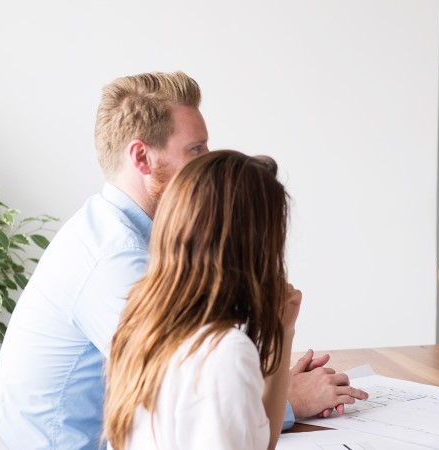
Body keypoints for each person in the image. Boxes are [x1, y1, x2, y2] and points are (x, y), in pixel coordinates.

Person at [0, 72, 365, 450]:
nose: (207, 164)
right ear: (142, 157)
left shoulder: (110, 230)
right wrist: (291, 400)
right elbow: (198, 400)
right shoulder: (118, 262)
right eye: (196, 150)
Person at [104, 150, 296, 450]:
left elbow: (260, 441)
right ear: (248, 250)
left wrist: (283, 330)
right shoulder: (224, 355)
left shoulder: (141, 326)